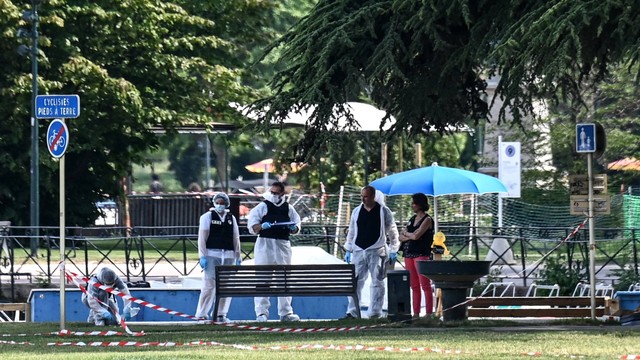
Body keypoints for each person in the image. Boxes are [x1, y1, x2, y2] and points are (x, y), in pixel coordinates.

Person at [247, 181, 302, 322]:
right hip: (265, 245)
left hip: (282, 245)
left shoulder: (289, 209)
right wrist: (262, 226)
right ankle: (261, 313)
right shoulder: (263, 206)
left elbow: (297, 225)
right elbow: (252, 225)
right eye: (272, 192)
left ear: (282, 194)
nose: (273, 195)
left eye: (276, 193)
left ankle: (286, 312)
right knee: (262, 279)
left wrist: (293, 228)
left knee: (284, 279)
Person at [343, 186, 400, 319]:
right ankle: (352, 312)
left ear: (373, 196)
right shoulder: (357, 211)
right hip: (358, 250)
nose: (363, 199)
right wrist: (349, 248)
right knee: (355, 282)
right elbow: (352, 230)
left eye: (366, 196)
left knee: (377, 282)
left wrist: (393, 248)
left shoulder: (384, 211)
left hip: (376, 250)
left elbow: (392, 231)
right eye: (362, 196)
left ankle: (375, 312)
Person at [195, 192, 241, 322]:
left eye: (222, 203)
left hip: (228, 255)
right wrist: (202, 256)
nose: (220, 205)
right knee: (209, 285)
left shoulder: (231, 218)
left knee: (226, 286)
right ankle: (202, 313)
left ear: (226, 204)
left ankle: (221, 314)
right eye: (218, 203)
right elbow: (202, 238)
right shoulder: (207, 217)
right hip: (211, 254)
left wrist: (238, 256)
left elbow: (235, 238)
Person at [399, 193, 435, 318]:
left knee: (425, 284)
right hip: (409, 253)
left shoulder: (427, 220)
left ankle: (429, 313)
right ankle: (416, 313)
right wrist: (408, 234)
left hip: (421, 254)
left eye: (414, 203)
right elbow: (401, 236)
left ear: (420, 204)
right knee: (414, 285)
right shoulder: (412, 219)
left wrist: (407, 234)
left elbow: (416, 236)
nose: (412, 205)